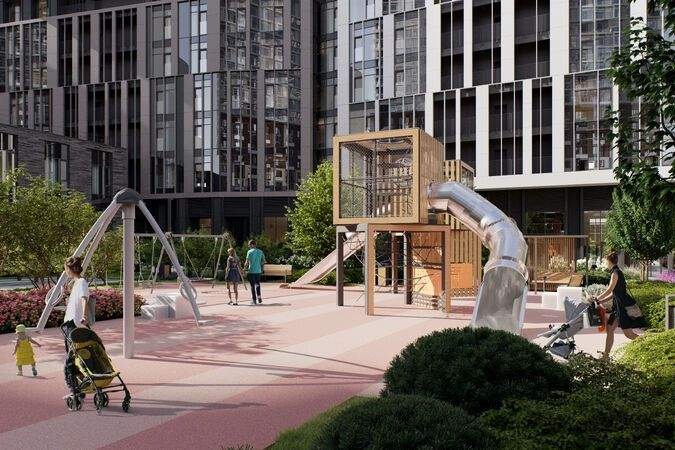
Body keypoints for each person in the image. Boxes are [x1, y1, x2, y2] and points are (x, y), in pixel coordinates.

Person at [592, 251, 647, 359]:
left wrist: (597, 298)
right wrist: (601, 301)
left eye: (605, 261)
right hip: (617, 306)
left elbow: (609, 290)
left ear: (609, 261)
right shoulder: (616, 272)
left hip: (621, 307)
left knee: (628, 334)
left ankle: (648, 344)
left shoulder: (615, 273)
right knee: (610, 329)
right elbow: (614, 293)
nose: (605, 263)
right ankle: (606, 356)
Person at [244, 240, 266, 305]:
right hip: (258, 271)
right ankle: (259, 297)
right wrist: (260, 266)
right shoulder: (260, 251)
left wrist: (244, 269)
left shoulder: (249, 252)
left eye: (249, 245)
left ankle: (254, 300)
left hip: (251, 271)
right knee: (257, 284)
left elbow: (247, 262)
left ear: (252, 245)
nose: (248, 246)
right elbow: (264, 261)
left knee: (252, 286)